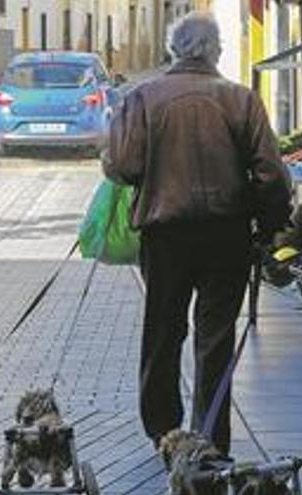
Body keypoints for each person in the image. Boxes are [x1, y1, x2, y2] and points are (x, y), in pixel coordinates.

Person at [103, 12, 292, 455]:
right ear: (215, 51)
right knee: (215, 337)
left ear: (174, 50)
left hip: (165, 236)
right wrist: (270, 226)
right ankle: (210, 435)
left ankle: (164, 432)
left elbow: (123, 166)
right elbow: (271, 174)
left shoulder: (142, 98)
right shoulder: (240, 100)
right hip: (227, 236)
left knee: (163, 331)